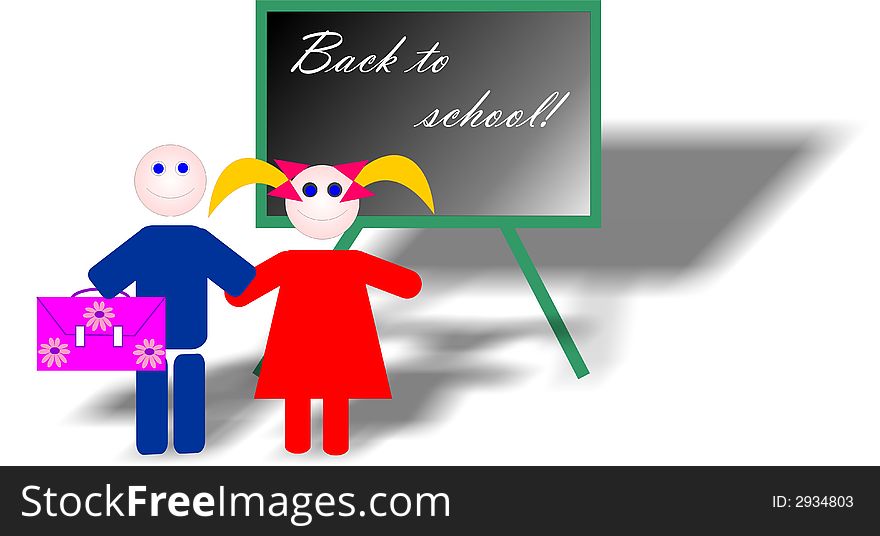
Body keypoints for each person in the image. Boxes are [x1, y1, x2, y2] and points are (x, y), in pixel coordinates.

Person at [210, 155, 433, 455]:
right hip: (341, 349)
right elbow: (409, 286)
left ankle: (297, 445)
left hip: (296, 348)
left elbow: (238, 295)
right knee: (335, 391)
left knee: (299, 393)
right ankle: (335, 446)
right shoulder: (354, 262)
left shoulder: (288, 262)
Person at [89, 145, 255, 455]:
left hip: (149, 331)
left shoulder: (146, 239)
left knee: (150, 373)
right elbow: (241, 279)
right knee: (189, 371)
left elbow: (104, 281)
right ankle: (190, 441)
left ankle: (151, 442)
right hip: (190, 331)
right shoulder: (198, 239)